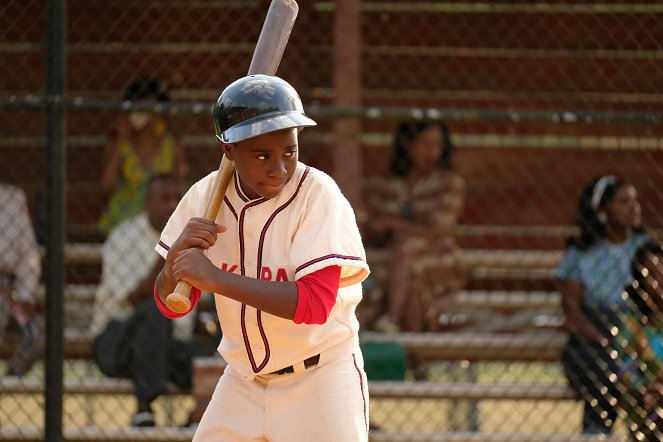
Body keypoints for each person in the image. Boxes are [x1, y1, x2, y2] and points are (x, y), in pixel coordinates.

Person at [154, 74, 370, 441]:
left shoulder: (317, 194)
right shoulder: (204, 197)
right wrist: (175, 260)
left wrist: (216, 280)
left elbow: (316, 304)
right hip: (243, 381)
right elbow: (172, 305)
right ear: (228, 150)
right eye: (262, 155)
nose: (280, 168)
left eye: (289, 151)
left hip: (320, 378)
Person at [90, 173, 216, 427]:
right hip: (118, 342)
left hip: (169, 347)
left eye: (176, 199)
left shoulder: (194, 242)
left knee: (216, 358)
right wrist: (173, 250)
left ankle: (196, 418)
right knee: (155, 311)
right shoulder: (124, 237)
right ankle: (144, 410)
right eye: (164, 198)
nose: (172, 206)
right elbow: (140, 298)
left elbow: (209, 294)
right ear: (147, 202)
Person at [556, 175, 648, 434]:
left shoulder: (646, 250)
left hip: (639, 336)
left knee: (638, 371)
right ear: (602, 210)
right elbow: (573, 314)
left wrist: (631, 338)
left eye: (635, 200)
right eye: (623, 201)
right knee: (605, 371)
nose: (634, 207)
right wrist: (604, 339)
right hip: (594, 336)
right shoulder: (581, 253)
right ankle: (596, 435)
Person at [362, 120, 465, 333]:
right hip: (395, 261)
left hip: (438, 258)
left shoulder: (449, 182)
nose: (432, 152)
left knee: (406, 250)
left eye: (438, 145)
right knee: (413, 281)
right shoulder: (383, 183)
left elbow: (440, 230)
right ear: (407, 145)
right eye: (424, 143)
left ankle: (391, 319)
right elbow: (372, 226)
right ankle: (415, 357)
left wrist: (395, 224)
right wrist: (401, 227)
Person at [98, 77, 189, 236]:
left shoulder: (171, 143)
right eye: (138, 108)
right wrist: (121, 139)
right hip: (123, 223)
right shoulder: (119, 142)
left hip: (159, 223)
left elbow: (179, 184)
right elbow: (107, 185)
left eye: (147, 109)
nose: (141, 114)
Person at [613, 241, 663, 441]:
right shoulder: (632, 323)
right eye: (651, 275)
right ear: (639, 282)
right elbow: (625, 366)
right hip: (646, 400)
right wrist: (648, 388)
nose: (660, 280)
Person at [0, 183, 44, 376]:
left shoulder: (12, 198)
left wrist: (26, 295)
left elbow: (28, 254)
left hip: (7, 289)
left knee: (38, 333)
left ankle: (8, 381)